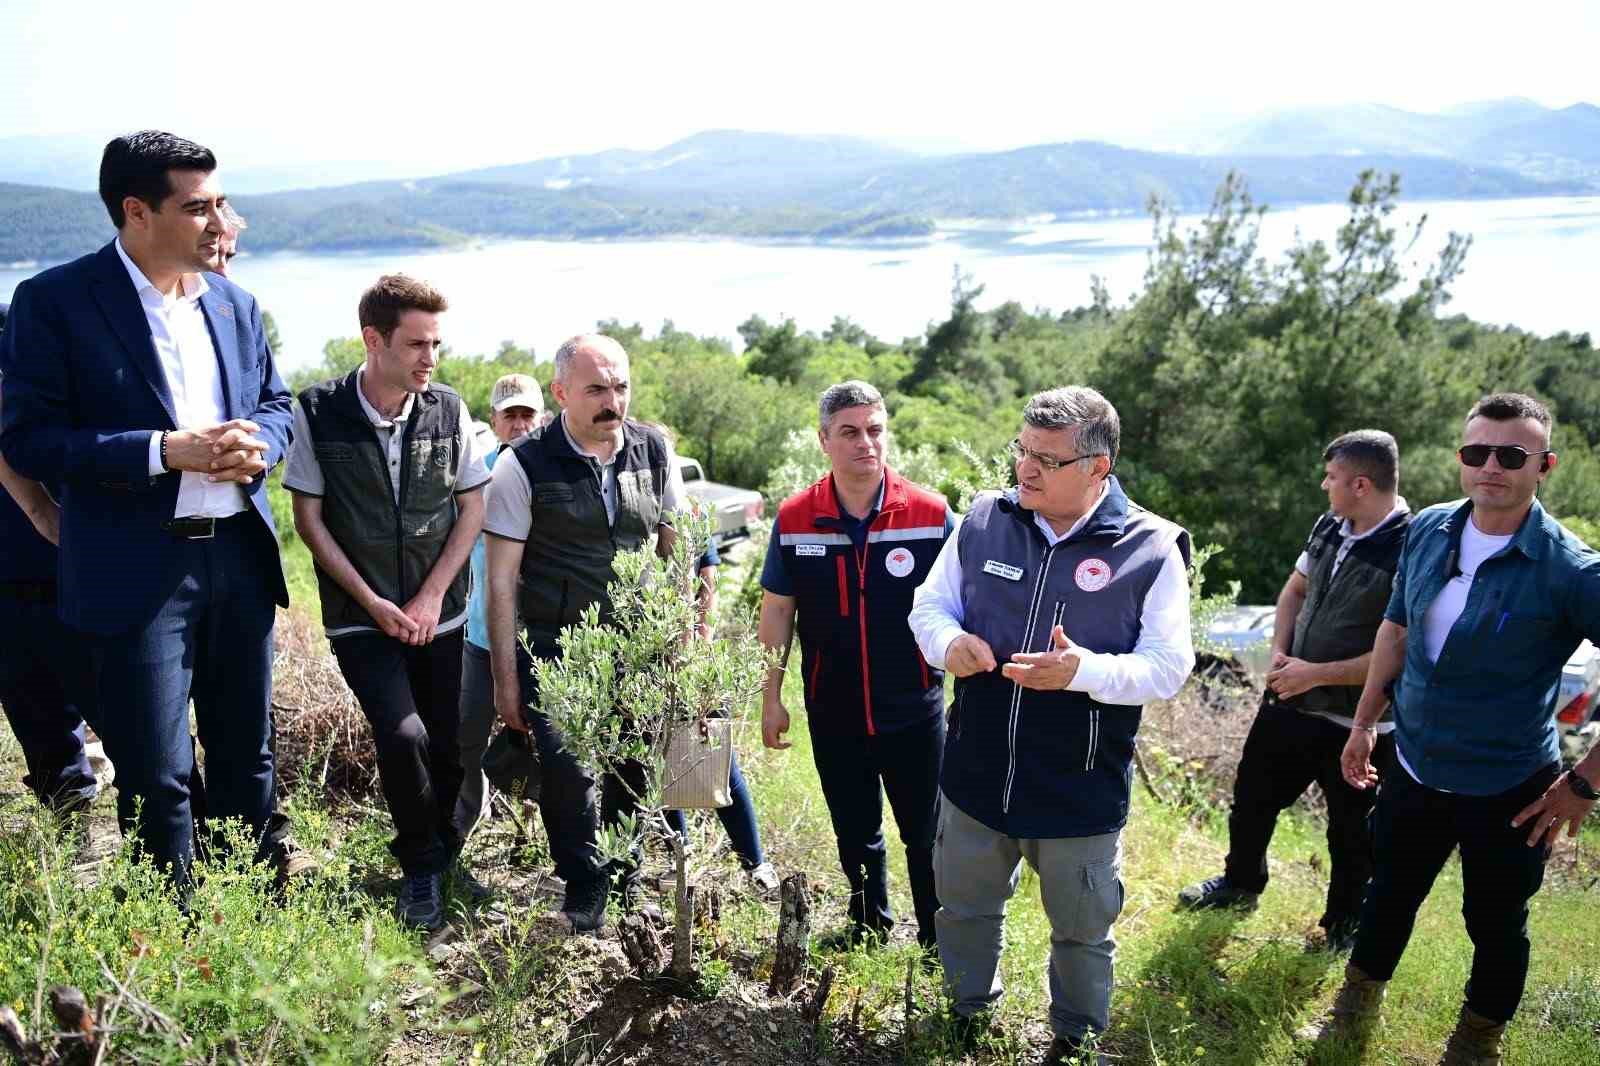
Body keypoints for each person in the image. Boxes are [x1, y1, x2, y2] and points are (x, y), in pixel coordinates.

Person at [0, 131, 293, 890]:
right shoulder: (54, 303)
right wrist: (165, 450)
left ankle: (256, 919)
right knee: (158, 773)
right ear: (136, 212)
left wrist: (259, 440)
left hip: (239, 557)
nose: (217, 221)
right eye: (197, 207)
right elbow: (29, 440)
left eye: (218, 202)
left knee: (246, 757)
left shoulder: (234, 302)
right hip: (136, 570)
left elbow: (278, 402)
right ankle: (182, 947)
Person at [1301, 393, 1600, 1065]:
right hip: (1414, 765)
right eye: (1477, 452)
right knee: (1387, 897)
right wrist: (1365, 724)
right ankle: (1349, 1017)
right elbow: (1397, 628)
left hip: (1510, 787)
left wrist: (1583, 784)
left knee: (1495, 926)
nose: (1491, 466)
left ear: (1543, 465)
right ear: (1461, 460)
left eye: (1511, 455)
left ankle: (1474, 1048)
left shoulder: (1571, 569)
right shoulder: (1432, 528)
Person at [909, 386, 1194, 1065]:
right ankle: (967, 1016)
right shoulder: (983, 519)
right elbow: (928, 606)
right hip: (976, 772)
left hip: (1079, 787)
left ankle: (1075, 1037)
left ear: (1099, 468)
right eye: (1022, 451)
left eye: (1047, 459)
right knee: (965, 910)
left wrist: (1084, 672)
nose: (1025, 470)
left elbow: (1168, 667)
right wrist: (947, 644)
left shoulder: (1151, 547)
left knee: (1083, 930)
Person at [286, 275, 489, 930]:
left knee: (454, 747)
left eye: (437, 343)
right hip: (361, 619)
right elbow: (309, 520)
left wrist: (431, 596)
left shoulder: (448, 409)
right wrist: (373, 603)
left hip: (443, 614)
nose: (431, 358)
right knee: (403, 737)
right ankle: (422, 867)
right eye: (417, 344)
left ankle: (445, 850)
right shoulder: (316, 411)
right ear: (374, 340)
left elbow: (473, 505)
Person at [483, 333, 688, 933]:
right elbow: (501, 583)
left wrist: (677, 639)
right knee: (569, 776)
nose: (612, 402)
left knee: (633, 769)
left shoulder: (653, 452)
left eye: (620, 387)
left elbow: (676, 553)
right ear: (561, 392)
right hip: (557, 648)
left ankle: (626, 876)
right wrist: (505, 680)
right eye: (596, 388)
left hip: (639, 645)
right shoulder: (523, 464)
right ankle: (583, 882)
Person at [1179, 430, 1411, 952]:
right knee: (1252, 800)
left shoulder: (1412, 546)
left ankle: (1344, 924)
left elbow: (1399, 652)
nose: (1323, 486)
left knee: (1353, 834)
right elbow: (1294, 590)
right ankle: (1240, 885)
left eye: (1331, 478)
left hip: (1362, 723)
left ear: (1360, 483)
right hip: (1291, 703)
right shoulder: (1331, 523)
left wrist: (1316, 673)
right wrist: (1282, 657)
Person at [759, 380, 953, 949]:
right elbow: (777, 610)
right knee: (856, 830)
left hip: (914, 708)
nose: (865, 443)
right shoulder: (796, 518)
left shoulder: (931, 513)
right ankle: (870, 925)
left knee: (926, 833)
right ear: (824, 440)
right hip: (833, 707)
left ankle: (939, 939)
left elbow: (966, 607)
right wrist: (771, 697)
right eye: (849, 432)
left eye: (875, 430)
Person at [0, 306, 99, 817]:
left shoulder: (21, 321)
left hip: (58, 542)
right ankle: (70, 810)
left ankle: (174, 823)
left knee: (109, 690)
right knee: (28, 694)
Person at [454, 372, 544, 840]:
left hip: (543, 638)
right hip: (481, 635)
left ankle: (557, 845)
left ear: (542, 416)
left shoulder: (553, 469)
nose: (519, 423)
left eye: (527, 413)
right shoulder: (475, 475)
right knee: (466, 738)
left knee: (551, 745)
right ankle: (463, 825)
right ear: (495, 419)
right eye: (510, 414)